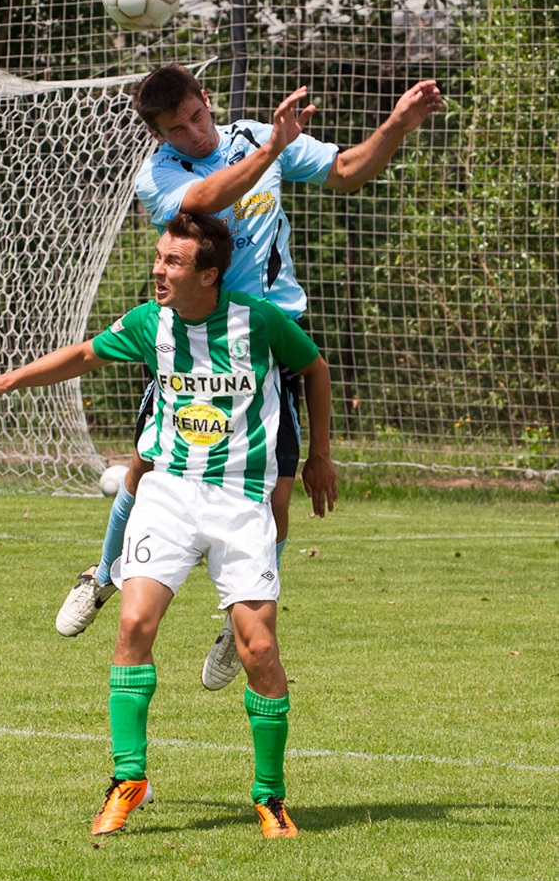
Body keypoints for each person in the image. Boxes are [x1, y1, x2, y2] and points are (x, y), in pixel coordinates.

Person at [0, 212, 338, 839]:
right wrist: (10, 380)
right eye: (159, 257)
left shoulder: (259, 321)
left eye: (172, 261)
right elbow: (84, 354)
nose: (158, 269)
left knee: (261, 650)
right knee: (133, 624)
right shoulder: (149, 322)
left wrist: (319, 455)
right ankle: (128, 779)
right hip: (169, 496)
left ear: (208, 275)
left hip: (241, 502)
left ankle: (270, 796)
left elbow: (314, 368)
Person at [57, 65, 442, 686]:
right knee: (145, 466)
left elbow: (347, 171)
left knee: (276, 497)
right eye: (177, 129)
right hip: (196, 342)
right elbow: (204, 203)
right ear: (159, 135)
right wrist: (272, 151)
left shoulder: (259, 136)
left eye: (198, 116)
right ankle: (103, 575)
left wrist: (397, 125)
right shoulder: (159, 175)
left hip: (267, 338)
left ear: (207, 100)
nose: (194, 133)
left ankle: (239, 622)